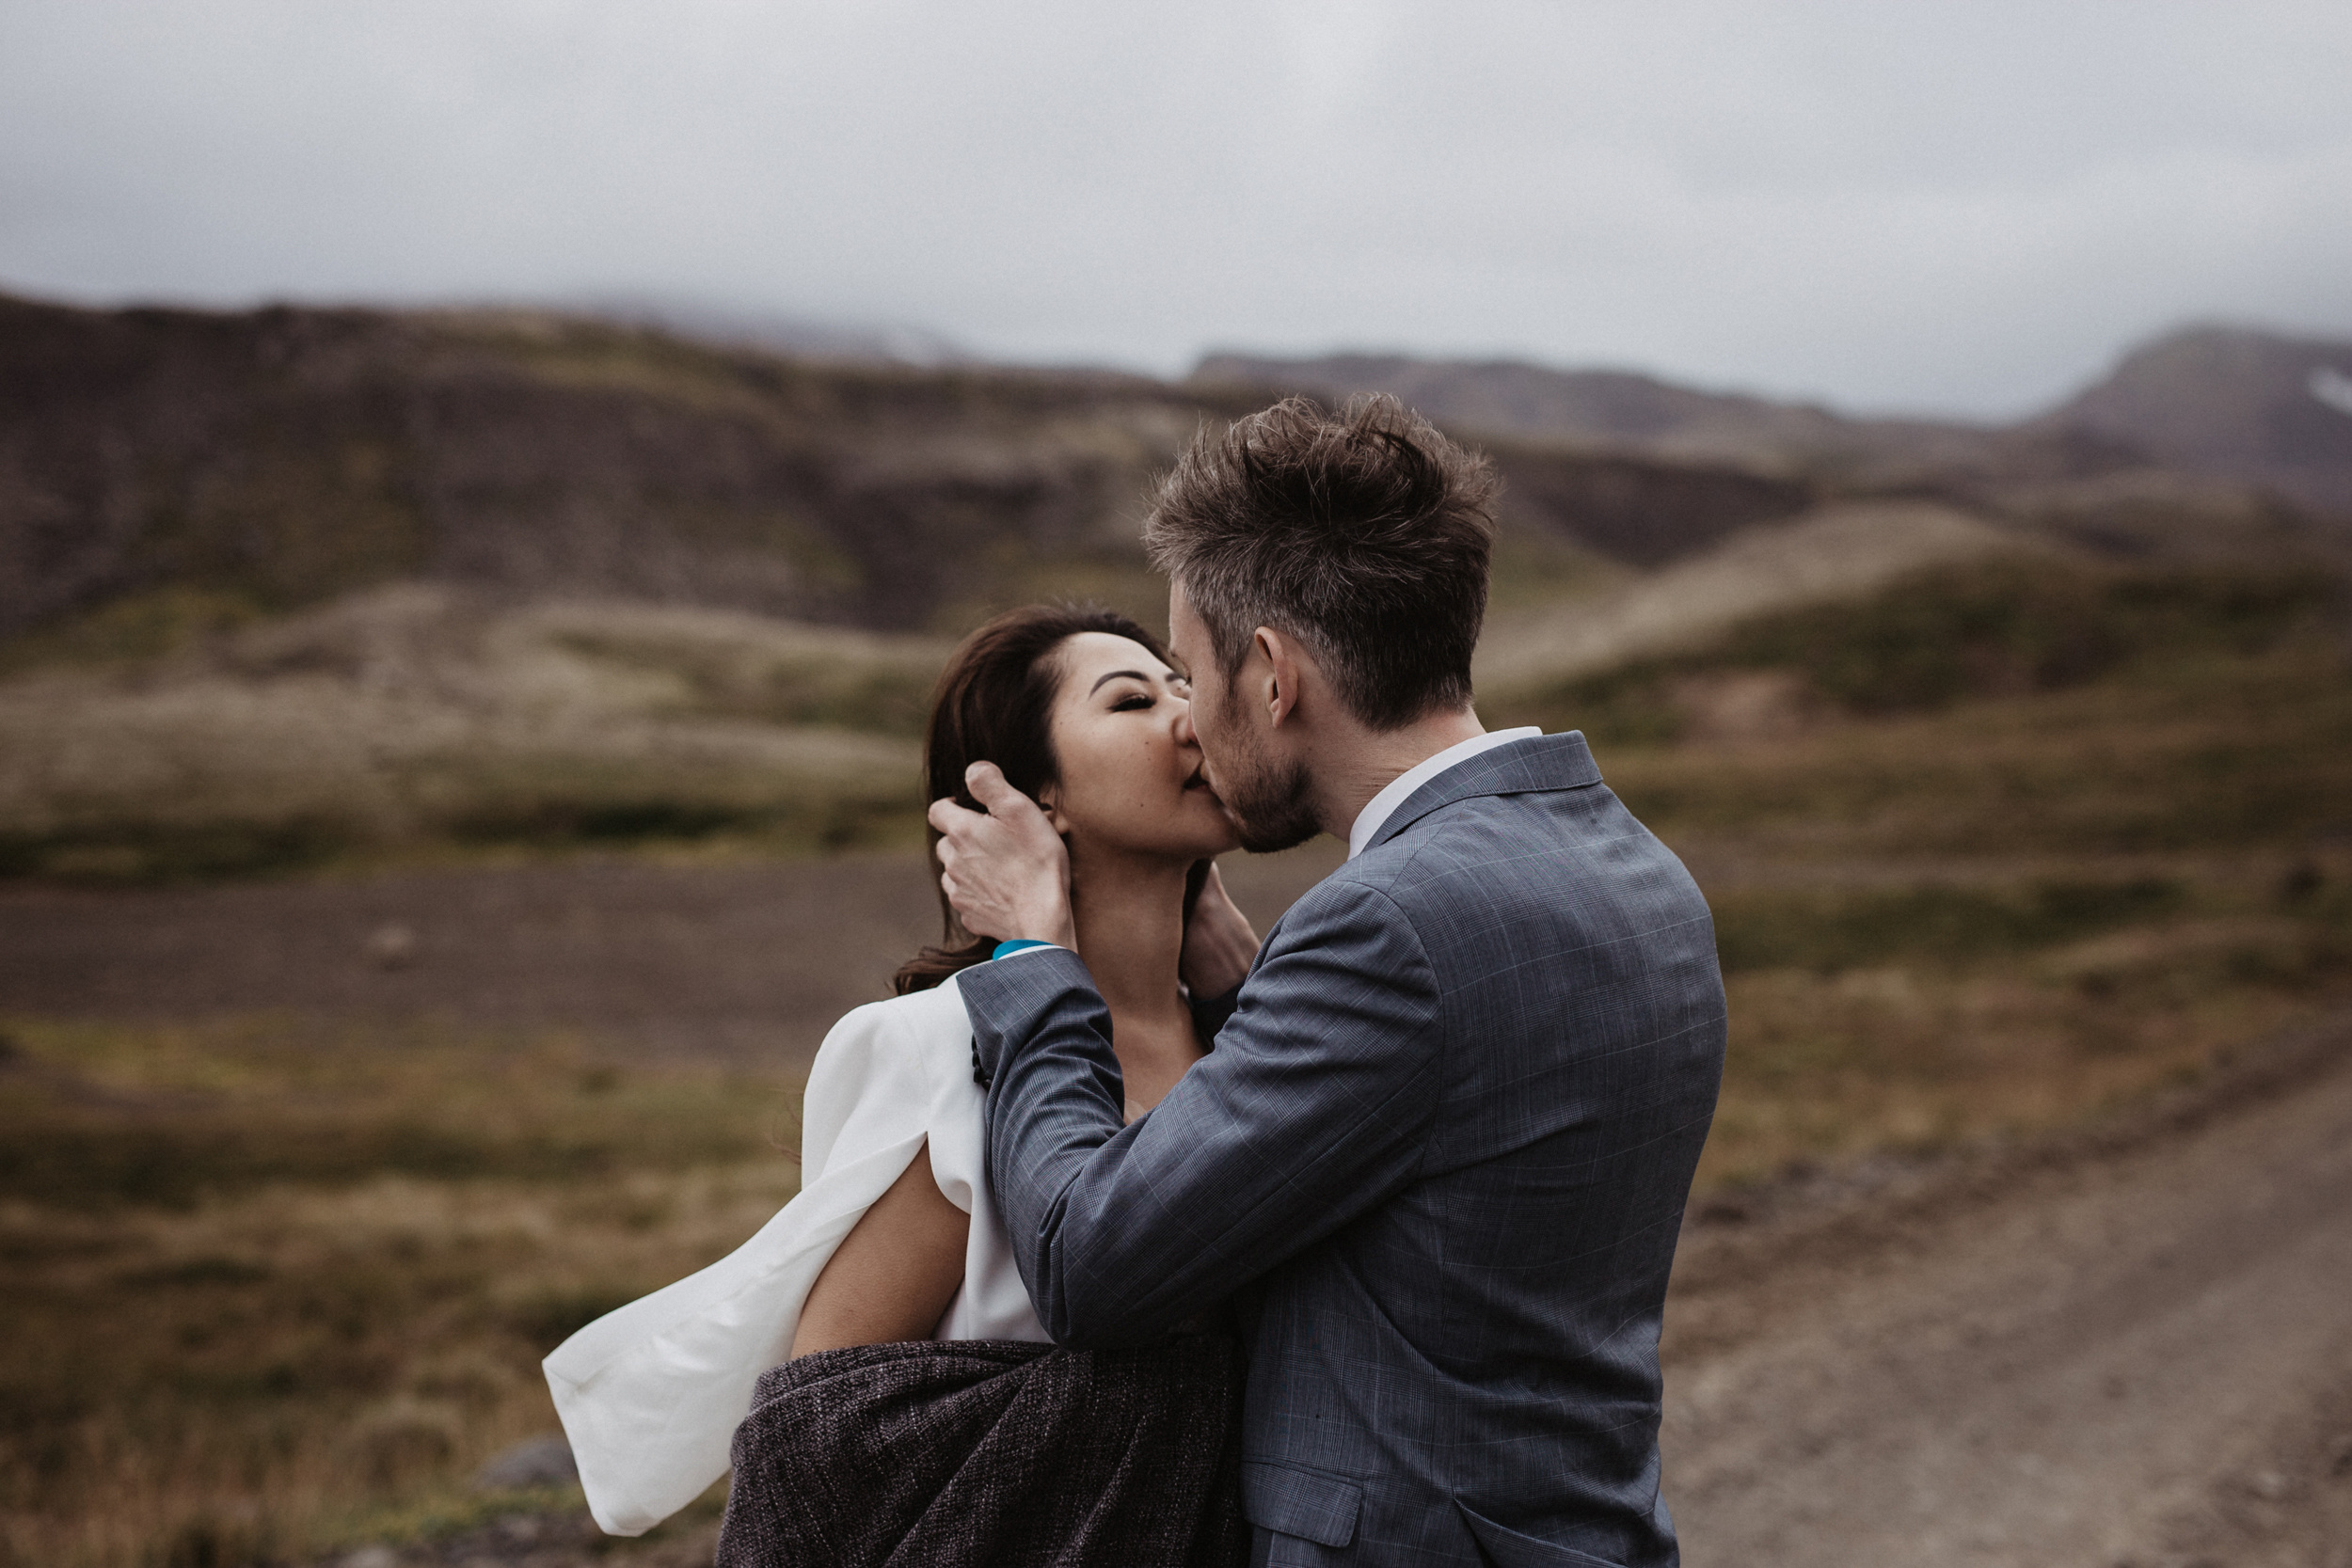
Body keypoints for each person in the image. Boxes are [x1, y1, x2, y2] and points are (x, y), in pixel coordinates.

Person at [930, 397, 1729, 1568]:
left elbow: (1087, 1262)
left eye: (1191, 673)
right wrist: (1247, 987)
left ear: (1272, 675)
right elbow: (1426, 1136)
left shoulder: (1388, 926)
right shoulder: (1635, 866)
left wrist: (1032, 960)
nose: (1190, 720)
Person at [544, 605, 1257, 1566]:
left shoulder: (1254, 1038)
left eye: (1186, 685)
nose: (1191, 714)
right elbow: (823, 1445)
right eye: (1131, 700)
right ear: (1033, 796)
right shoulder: (939, 1050)